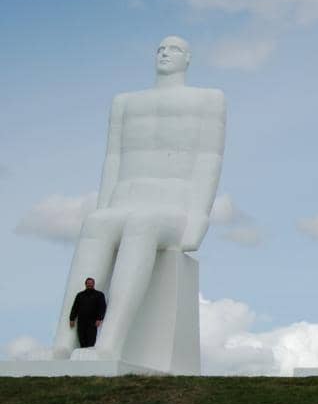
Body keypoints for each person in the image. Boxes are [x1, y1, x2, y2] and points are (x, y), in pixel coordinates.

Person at [52, 35, 226, 360]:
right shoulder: (125, 102)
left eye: (173, 49)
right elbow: (113, 160)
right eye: (159, 48)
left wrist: (199, 216)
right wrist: (103, 206)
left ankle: (110, 344)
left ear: (187, 59)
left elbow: (208, 158)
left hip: (172, 207)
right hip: (125, 199)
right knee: (96, 223)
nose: (164, 53)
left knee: (141, 224)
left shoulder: (208, 100)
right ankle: (65, 341)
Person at [68, 277, 106, 349]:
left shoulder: (99, 295)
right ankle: (82, 356)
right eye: (88, 283)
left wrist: (99, 318)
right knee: (82, 339)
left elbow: (102, 307)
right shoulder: (80, 295)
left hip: (92, 321)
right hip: (81, 321)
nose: (90, 285)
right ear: (85, 284)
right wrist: (72, 319)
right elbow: (75, 307)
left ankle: (88, 356)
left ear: (94, 284)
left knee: (91, 340)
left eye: (91, 283)